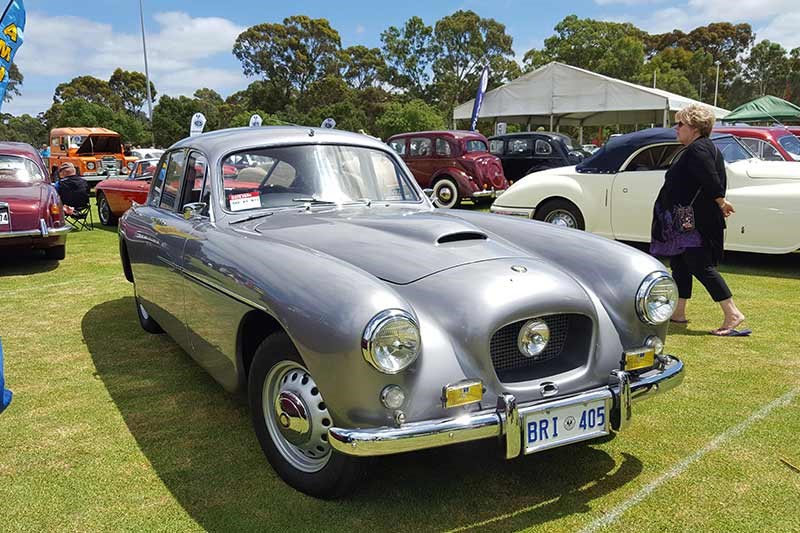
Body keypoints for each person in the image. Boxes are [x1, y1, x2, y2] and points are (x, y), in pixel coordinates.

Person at [650, 104, 747, 336]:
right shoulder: (700, 148)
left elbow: (710, 178)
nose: (676, 128)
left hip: (692, 223)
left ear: (694, 128)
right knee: (681, 264)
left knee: (700, 265)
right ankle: (679, 312)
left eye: (680, 124)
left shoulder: (699, 149)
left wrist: (721, 201)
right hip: (685, 222)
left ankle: (733, 313)